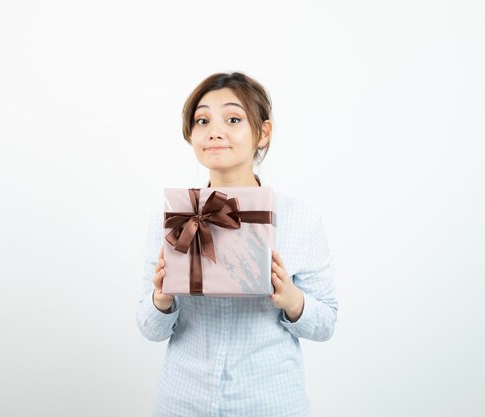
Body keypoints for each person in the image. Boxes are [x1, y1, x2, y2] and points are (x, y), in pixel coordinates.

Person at [136, 72, 339, 417]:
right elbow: (149, 328)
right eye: (202, 120)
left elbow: (327, 324)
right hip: (184, 402)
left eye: (233, 119)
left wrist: (292, 300)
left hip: (269, 403)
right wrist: (161, 298)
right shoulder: (171, 217)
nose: (215, 131)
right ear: (190, 134)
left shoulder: (300, 218)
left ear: (263, 133)